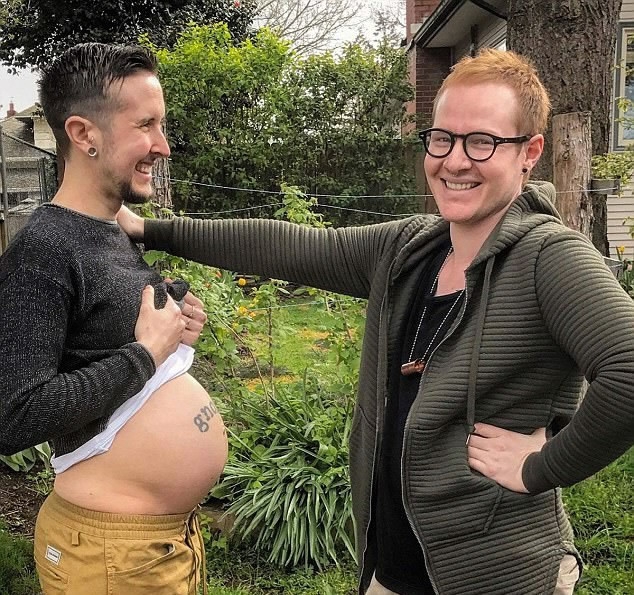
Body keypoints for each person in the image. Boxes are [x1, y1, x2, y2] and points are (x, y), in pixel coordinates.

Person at [118, 48, 634, 595]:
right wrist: (151, 230)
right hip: (393, 566)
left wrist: (541, 466)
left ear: (530, 152)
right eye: (442, 138)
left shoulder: (548, 257)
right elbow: (291, 247)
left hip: (494, 573)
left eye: (482, 141)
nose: (455, 161)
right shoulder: (411, 249)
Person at [0, 43, 228, 595]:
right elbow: (13, 417)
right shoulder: (43, 251)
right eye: (146, 125)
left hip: (153, 545)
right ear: (84, 134)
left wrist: (175, 328)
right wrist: (144, 355)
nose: (163, 145)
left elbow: (102, 334)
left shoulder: (108, 229)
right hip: (108, 554)